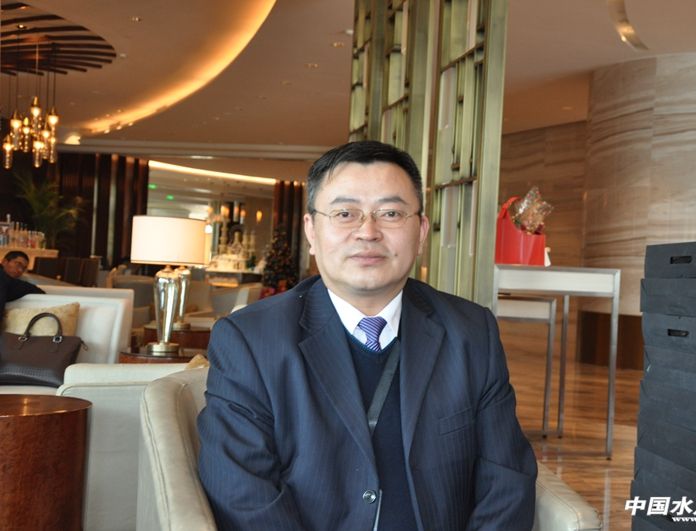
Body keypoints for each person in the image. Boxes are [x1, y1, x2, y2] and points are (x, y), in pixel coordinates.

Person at [198, 140, 537, 530]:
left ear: (421, 231)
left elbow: (507, 478)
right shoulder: (250, 340)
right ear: (311, 230)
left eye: (391, 213)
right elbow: (242, 493)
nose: (368, 232)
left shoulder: (471, 332)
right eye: (345, 214)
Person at [0, 251, 45, 325]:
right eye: (18, 264)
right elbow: (36, 290)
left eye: (24, 268)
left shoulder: (11, 282)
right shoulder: (3, 278)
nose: (20, 270)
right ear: (4, 262)